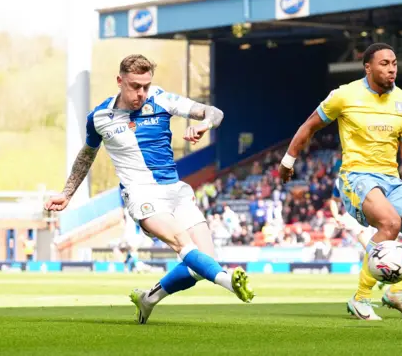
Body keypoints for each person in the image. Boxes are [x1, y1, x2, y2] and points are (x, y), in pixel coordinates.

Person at [44, 54, 254, 324]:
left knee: (204, 263)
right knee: (182, 242)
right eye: (134, 86)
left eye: (145, 86)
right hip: (141, 195)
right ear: (120, 81)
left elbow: (215, 112)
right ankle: (229, 282)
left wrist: (204, 125)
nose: (141, 93)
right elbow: (87, 155)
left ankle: (149, 298)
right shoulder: (99, 117)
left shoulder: (161, 99)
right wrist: (67, 193)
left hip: (175, 191)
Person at [279, 43, 402, 320]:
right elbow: (310, 125)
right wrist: (288, 161)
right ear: (368, 67)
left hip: (390, 180)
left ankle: (398, 291)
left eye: (394, 63)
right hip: (355, 176)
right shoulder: (345, 95)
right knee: (390, 223)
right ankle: (360, 298)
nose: (392, 68)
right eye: (384, 63)